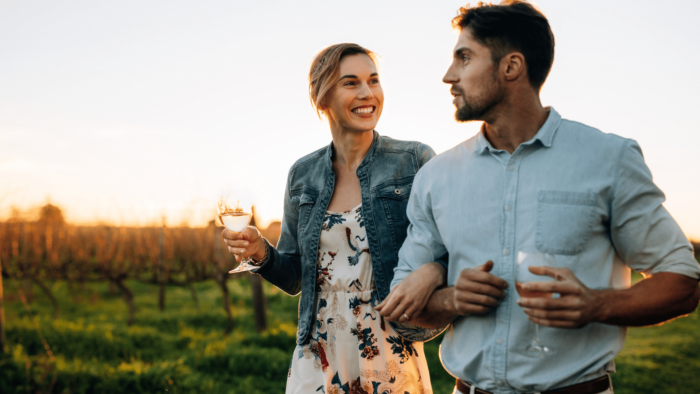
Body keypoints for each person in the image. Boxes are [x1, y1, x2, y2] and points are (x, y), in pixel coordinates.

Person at [377, 2, 700, 394]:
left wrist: (596, 306)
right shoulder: (436, 177)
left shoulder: (608, 159)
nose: (449, 76)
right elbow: (406, 302)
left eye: (464, 58)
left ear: (511, 67)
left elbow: (682, 281)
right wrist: (452, 300)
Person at [222, 43, 446, 394]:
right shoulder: (302, 174)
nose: (367, 93)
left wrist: (435, 273)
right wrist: (259, 252)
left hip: (388, 346)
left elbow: (451, 250)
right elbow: (296, 276)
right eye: (351, 83)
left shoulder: (414, 161)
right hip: (319, 349)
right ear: (322, 98)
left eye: (373, 80)